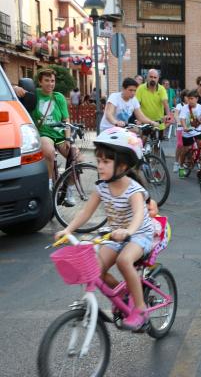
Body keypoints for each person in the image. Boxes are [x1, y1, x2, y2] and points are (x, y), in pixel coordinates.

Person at [54, 127, 154, 330]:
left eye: (106, 162)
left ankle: (141, 309)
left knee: (124, 260)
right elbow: (85, 213)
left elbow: (137, 217)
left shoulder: (134, 190)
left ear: (123, 165)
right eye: (99, 161)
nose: (100, 166)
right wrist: (68, 230)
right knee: (95, 270)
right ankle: (125, 294)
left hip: (140, 235)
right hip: (114, 236)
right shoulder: (101, 187)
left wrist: (128, 232)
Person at [12, 69, 82, 200]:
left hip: (60, 135)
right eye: (47, 80)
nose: (50, 84)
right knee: (49, 151)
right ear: (40, 82)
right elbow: (11, 91)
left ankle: (69, 190)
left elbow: (66, 120)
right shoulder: (34, 94)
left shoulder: (59, 97)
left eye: (53, 81)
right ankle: (49, 184)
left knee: (77, 157)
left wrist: (67, 137)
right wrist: (15, 87)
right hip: (45, 134)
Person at [177, 89, 201, 178]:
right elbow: (182, 119)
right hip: (187, 132)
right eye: (189, 98)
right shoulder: (185, 108)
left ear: (197, 99)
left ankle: (200, 165)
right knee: (186, 149)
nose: (190, 100)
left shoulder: (200, 107)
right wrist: (185, 127)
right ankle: (181, 166)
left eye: (192, 98)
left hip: (197, 131)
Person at [135, 69, 170, 139]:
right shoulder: (140, 88)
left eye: (155, 77)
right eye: (151, 77)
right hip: (145, 121)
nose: (153, 79)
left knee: (157, 145)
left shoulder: (162, 89)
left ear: (158, 79)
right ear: (147, 77)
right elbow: (136, 105)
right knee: (142, 142)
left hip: (158, 122)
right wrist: (138, 118)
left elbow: (165, 104)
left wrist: (168, 116)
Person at [172, 89, 188, 173]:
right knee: (180, 145)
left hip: (188, 129)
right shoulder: (179, 105)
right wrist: (178, 122)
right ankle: (176, 163)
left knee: (188, 147)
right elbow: (176, 114)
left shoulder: (191, 105)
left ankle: (185, 162)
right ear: (183, 97)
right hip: (180, 128)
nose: (188, 98)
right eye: (186, 96)